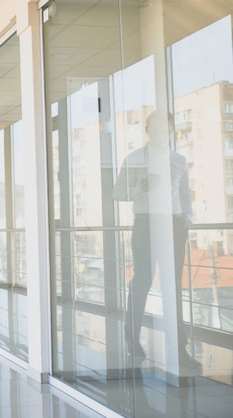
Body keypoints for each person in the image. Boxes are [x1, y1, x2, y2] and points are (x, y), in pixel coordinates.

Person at [113, 109, 201, 376]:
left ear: (171, 130)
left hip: (174, 225)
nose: (163, 133)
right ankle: (132, 338)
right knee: (142, 281)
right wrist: (140, 185)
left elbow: (185, 194)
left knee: (173, 285)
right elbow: (117, 193)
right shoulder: (135, 158)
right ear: (149, 131)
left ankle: (179, 349)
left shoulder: (179, 160)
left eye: (167, 129)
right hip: (145, 224)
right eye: (158, 128)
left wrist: (187, 218)